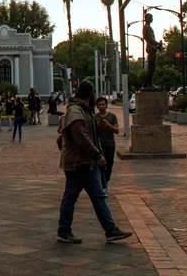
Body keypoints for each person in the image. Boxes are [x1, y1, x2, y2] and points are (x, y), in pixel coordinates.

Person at [56, 81, 132, 244]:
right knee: (74, 197)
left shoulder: (84, 111)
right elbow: (81, 137)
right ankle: (64, 230)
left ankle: (109, 230)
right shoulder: (76, 111)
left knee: (95, 196)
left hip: (86, 162)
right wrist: (97, 155)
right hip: (79, 163)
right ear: (90, 94)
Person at [95, 96, 119, 193]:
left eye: (103, 104)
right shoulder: (95, 117)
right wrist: (99, 124)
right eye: (99, 104)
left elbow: (116, 130)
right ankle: (102, 184)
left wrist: (108, 124)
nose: (101, 106)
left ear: (106, 105)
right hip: (99, 145)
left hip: (110, 144)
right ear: (97, 106)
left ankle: (106, 181)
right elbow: (94, 131)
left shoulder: (112, 116)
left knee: (109, 164)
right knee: (100, 165)